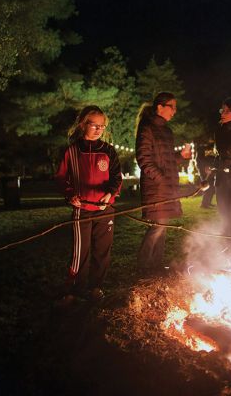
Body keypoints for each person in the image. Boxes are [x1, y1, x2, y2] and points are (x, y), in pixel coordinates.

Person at [56, 105, 122, 304]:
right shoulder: (72, 151)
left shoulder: (109, 151)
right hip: (82, 210)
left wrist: (110, 195)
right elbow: (61, 178)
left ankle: (95, 287)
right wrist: (70, 195)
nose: (99, 129)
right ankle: (75, 289)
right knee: (80, 252)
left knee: (102, 250)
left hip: (104, 210)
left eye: (102, 126)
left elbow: (117, 178)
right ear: (83, 124)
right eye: (94, 125)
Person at [135, 92, 190, 275]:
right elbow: (144, 159)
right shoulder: (147, 128)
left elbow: (167, 159)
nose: (174, 111)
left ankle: (156, 265)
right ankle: (144, 266)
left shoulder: (166, 131)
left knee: (162, 227)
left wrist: (179, 157)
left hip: (166, 187)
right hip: (156, 187)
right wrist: (160, 179)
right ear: (160, 107)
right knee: (158, 226)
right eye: (171, 106)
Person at [215, 97, 231, 263]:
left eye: (227, 110)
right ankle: (226, 250)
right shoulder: (220, 130)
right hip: (222, 177)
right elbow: (220, 153)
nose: (223, 113)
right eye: (222, 110)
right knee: (223, 213)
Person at [196, 140, 216, 208]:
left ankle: (208, 202)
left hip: (209, 171)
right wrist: (206, 166)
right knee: (207, 187)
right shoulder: (201, 152)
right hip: (205, 172)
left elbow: (209, 159)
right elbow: (202, 160)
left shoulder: (206, 152)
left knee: (212, 187)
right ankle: (204, 204)